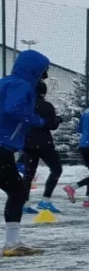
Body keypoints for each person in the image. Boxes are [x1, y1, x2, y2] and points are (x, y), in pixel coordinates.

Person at [0, 51, 49, 257]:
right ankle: (11, 243)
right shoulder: (22, 85)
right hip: (1, 146)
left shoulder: (5, 82)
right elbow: (14, 109)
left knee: (17, 191)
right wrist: (36, 120)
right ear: (34, 70)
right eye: (43, 72)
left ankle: (13, 242)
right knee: (18, 192)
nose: (44, 77)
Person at [21, 79, 64, 215]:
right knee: (56, 169)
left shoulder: (26, 105)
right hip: (44, 142)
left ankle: (24, 203)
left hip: (28, 142)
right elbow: (52, 124)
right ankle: (45, 200)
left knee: (29, 173)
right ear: (44, 92)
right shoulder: (46, 105)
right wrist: (57, 120)